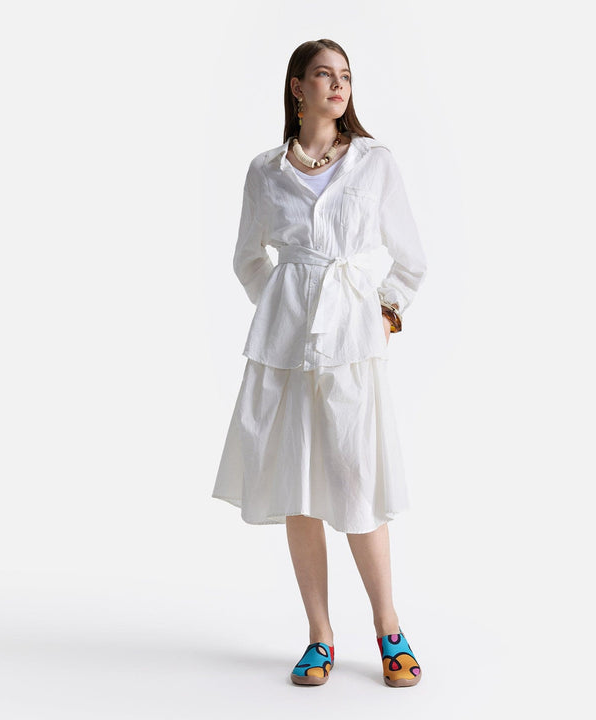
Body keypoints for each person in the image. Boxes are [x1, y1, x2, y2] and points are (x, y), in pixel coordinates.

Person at [212, 38, 427, 688]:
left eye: (346, 77)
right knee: (296, 488)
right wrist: (286, 307)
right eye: (324, 75)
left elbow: (410, 259)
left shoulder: (374, 163)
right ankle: (319, 635)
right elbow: (248, 258)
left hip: (352, 346)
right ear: (297, 87)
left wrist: (385, 312)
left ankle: (389, 626)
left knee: (356, 480)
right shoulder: (265, 171)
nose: (338, 86)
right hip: (284, 351)